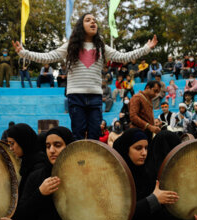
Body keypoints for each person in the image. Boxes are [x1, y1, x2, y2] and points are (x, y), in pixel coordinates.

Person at [13, 13, 157, 140]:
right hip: (76, 97)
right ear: (81, 25)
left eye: (94, 20)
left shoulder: (101, 47)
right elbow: (48, 57)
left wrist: (146, 49)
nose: (93, 22)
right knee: (78, 134)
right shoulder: (70, 46)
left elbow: (124, 56)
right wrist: (24, 53)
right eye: (88, 20)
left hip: (95, 97)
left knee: (95, 133)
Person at [113, 129, 197, 220]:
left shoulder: (144, 173)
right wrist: (154, 200)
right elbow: (120, 216)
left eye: (146, 148)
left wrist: (189, 216)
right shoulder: (116, 176)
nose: (144, 153)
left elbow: (159, 212)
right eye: (138, 148)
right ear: (126, 149)